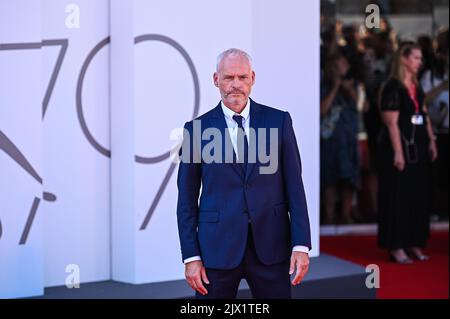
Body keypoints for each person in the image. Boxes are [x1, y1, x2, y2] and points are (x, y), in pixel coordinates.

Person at [176, 48, 311, 299]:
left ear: (252, 78)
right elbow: (186, 200)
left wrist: (301, 244)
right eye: (228, 78)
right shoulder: (195, 130)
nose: (235, 84)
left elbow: (295, 187)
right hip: (217, 249)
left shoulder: (279, 121)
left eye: (242, 77)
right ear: (216, 80)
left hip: (272, 245)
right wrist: (191, 256)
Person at [377, 42, 438, 264]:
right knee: (398, 197)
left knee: (417, 196)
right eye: (416, 58)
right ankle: (397, 245)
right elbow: (391, 123)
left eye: (420, 59)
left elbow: (424, 113)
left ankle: (414, 241)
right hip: (401, 146)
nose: (419, 63)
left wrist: (431, 139)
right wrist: (398, 153)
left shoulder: (416, 85)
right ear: (403, 58)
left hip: (419, 145)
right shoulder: (392, 87)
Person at [320, 53, 359, 224]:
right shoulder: (323, 86)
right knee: (330, 179)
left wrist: (348, 89)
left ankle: (346, 214)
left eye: (343, 65)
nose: (341, 70)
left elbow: (361, 105)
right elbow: (322, 110)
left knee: (349, 178)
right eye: (337, 66)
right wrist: (335, 87)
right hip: (330, 140)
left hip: (349, 138)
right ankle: (329, 216)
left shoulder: (354, 85)